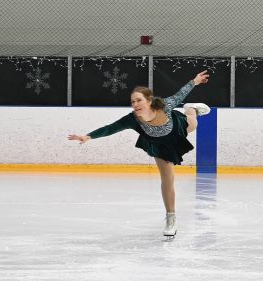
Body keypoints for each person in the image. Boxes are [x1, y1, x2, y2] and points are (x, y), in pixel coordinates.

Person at [68, 70, 210, 237]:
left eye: (139, 100)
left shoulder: (165, 105)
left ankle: (192, 109)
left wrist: (195, 81)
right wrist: (88, 136)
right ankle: (170, 218)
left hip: (178, 129)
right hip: (159, 145)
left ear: (149, 101)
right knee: (167, 178)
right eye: (133, 101)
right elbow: (111, 128)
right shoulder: (133, 119)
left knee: (193, 123)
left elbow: (180, 94)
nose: (135, 104)